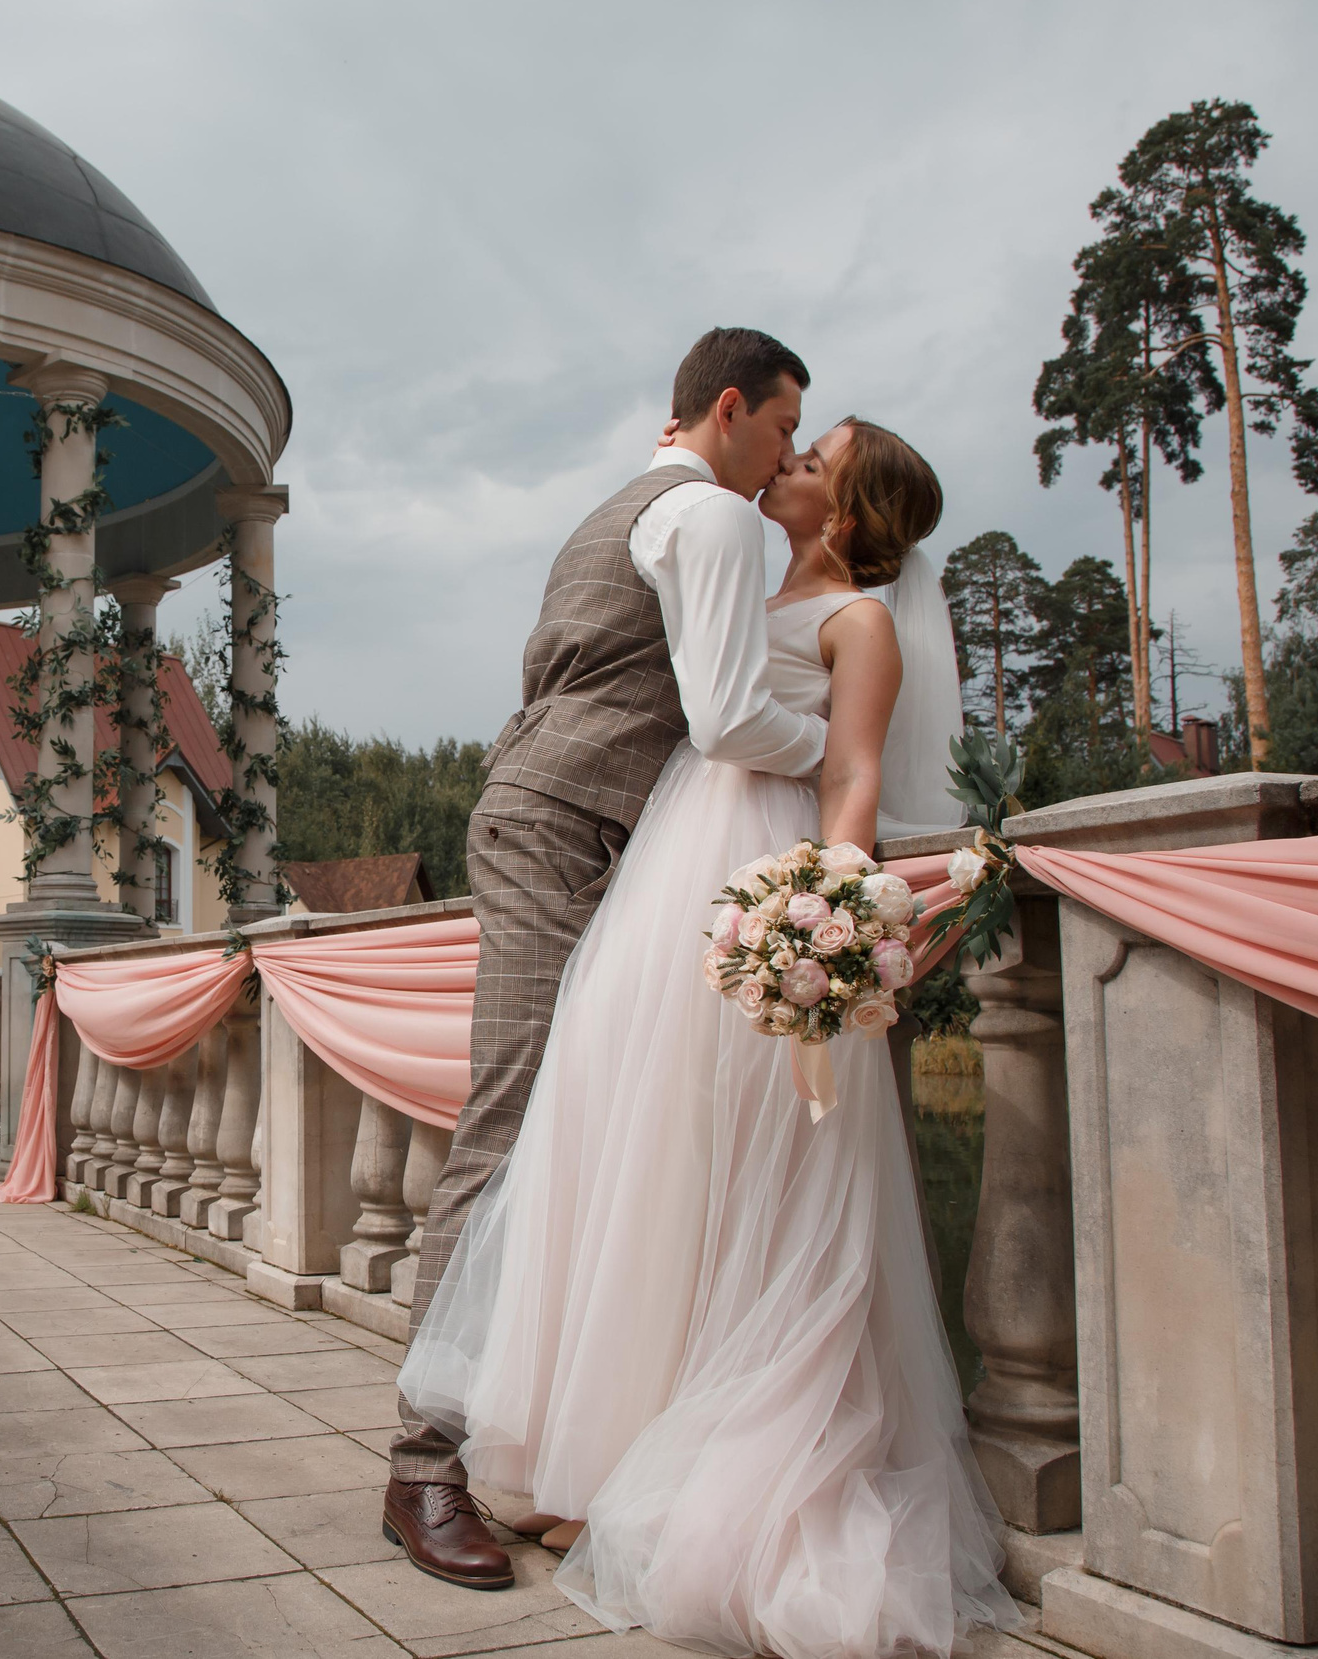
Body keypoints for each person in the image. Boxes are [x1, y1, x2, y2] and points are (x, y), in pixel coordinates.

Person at [397, 412, 1021, 1657]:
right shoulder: (731, 564)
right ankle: (608, 1457)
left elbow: (849, 777)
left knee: (749, 1173)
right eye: (788, 441)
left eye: (812, 459)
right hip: (669, 883)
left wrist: (829, 924)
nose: (785, 466)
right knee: (646, 1157)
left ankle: (702, 1471)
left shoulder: (861, 621)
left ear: (843, 512)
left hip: (757, 880)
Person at [381, 328, 832, 1590]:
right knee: (514, 1125)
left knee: (583, 1133)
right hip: (565, 827)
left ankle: (544, 1442)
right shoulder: (710, 516)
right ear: (730, 409)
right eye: (786, 426)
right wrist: (848, 742)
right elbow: (733, 712)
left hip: (563, 819)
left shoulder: (623, 505)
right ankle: (421, 1470)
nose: (791, 453)